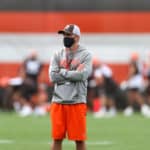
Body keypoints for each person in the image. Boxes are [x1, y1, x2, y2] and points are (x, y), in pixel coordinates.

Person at [49, 24, 92, 150]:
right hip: (58, 101)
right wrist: (72, 74)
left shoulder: (86, 55)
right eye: (64, 35)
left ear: (77, 37)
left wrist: (62, 72)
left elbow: (83, 75)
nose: (65, 37)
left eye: (68, 35)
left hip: (77, 102)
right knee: (57, 138)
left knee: (79, 140)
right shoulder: (57, 54)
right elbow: (52, 76)